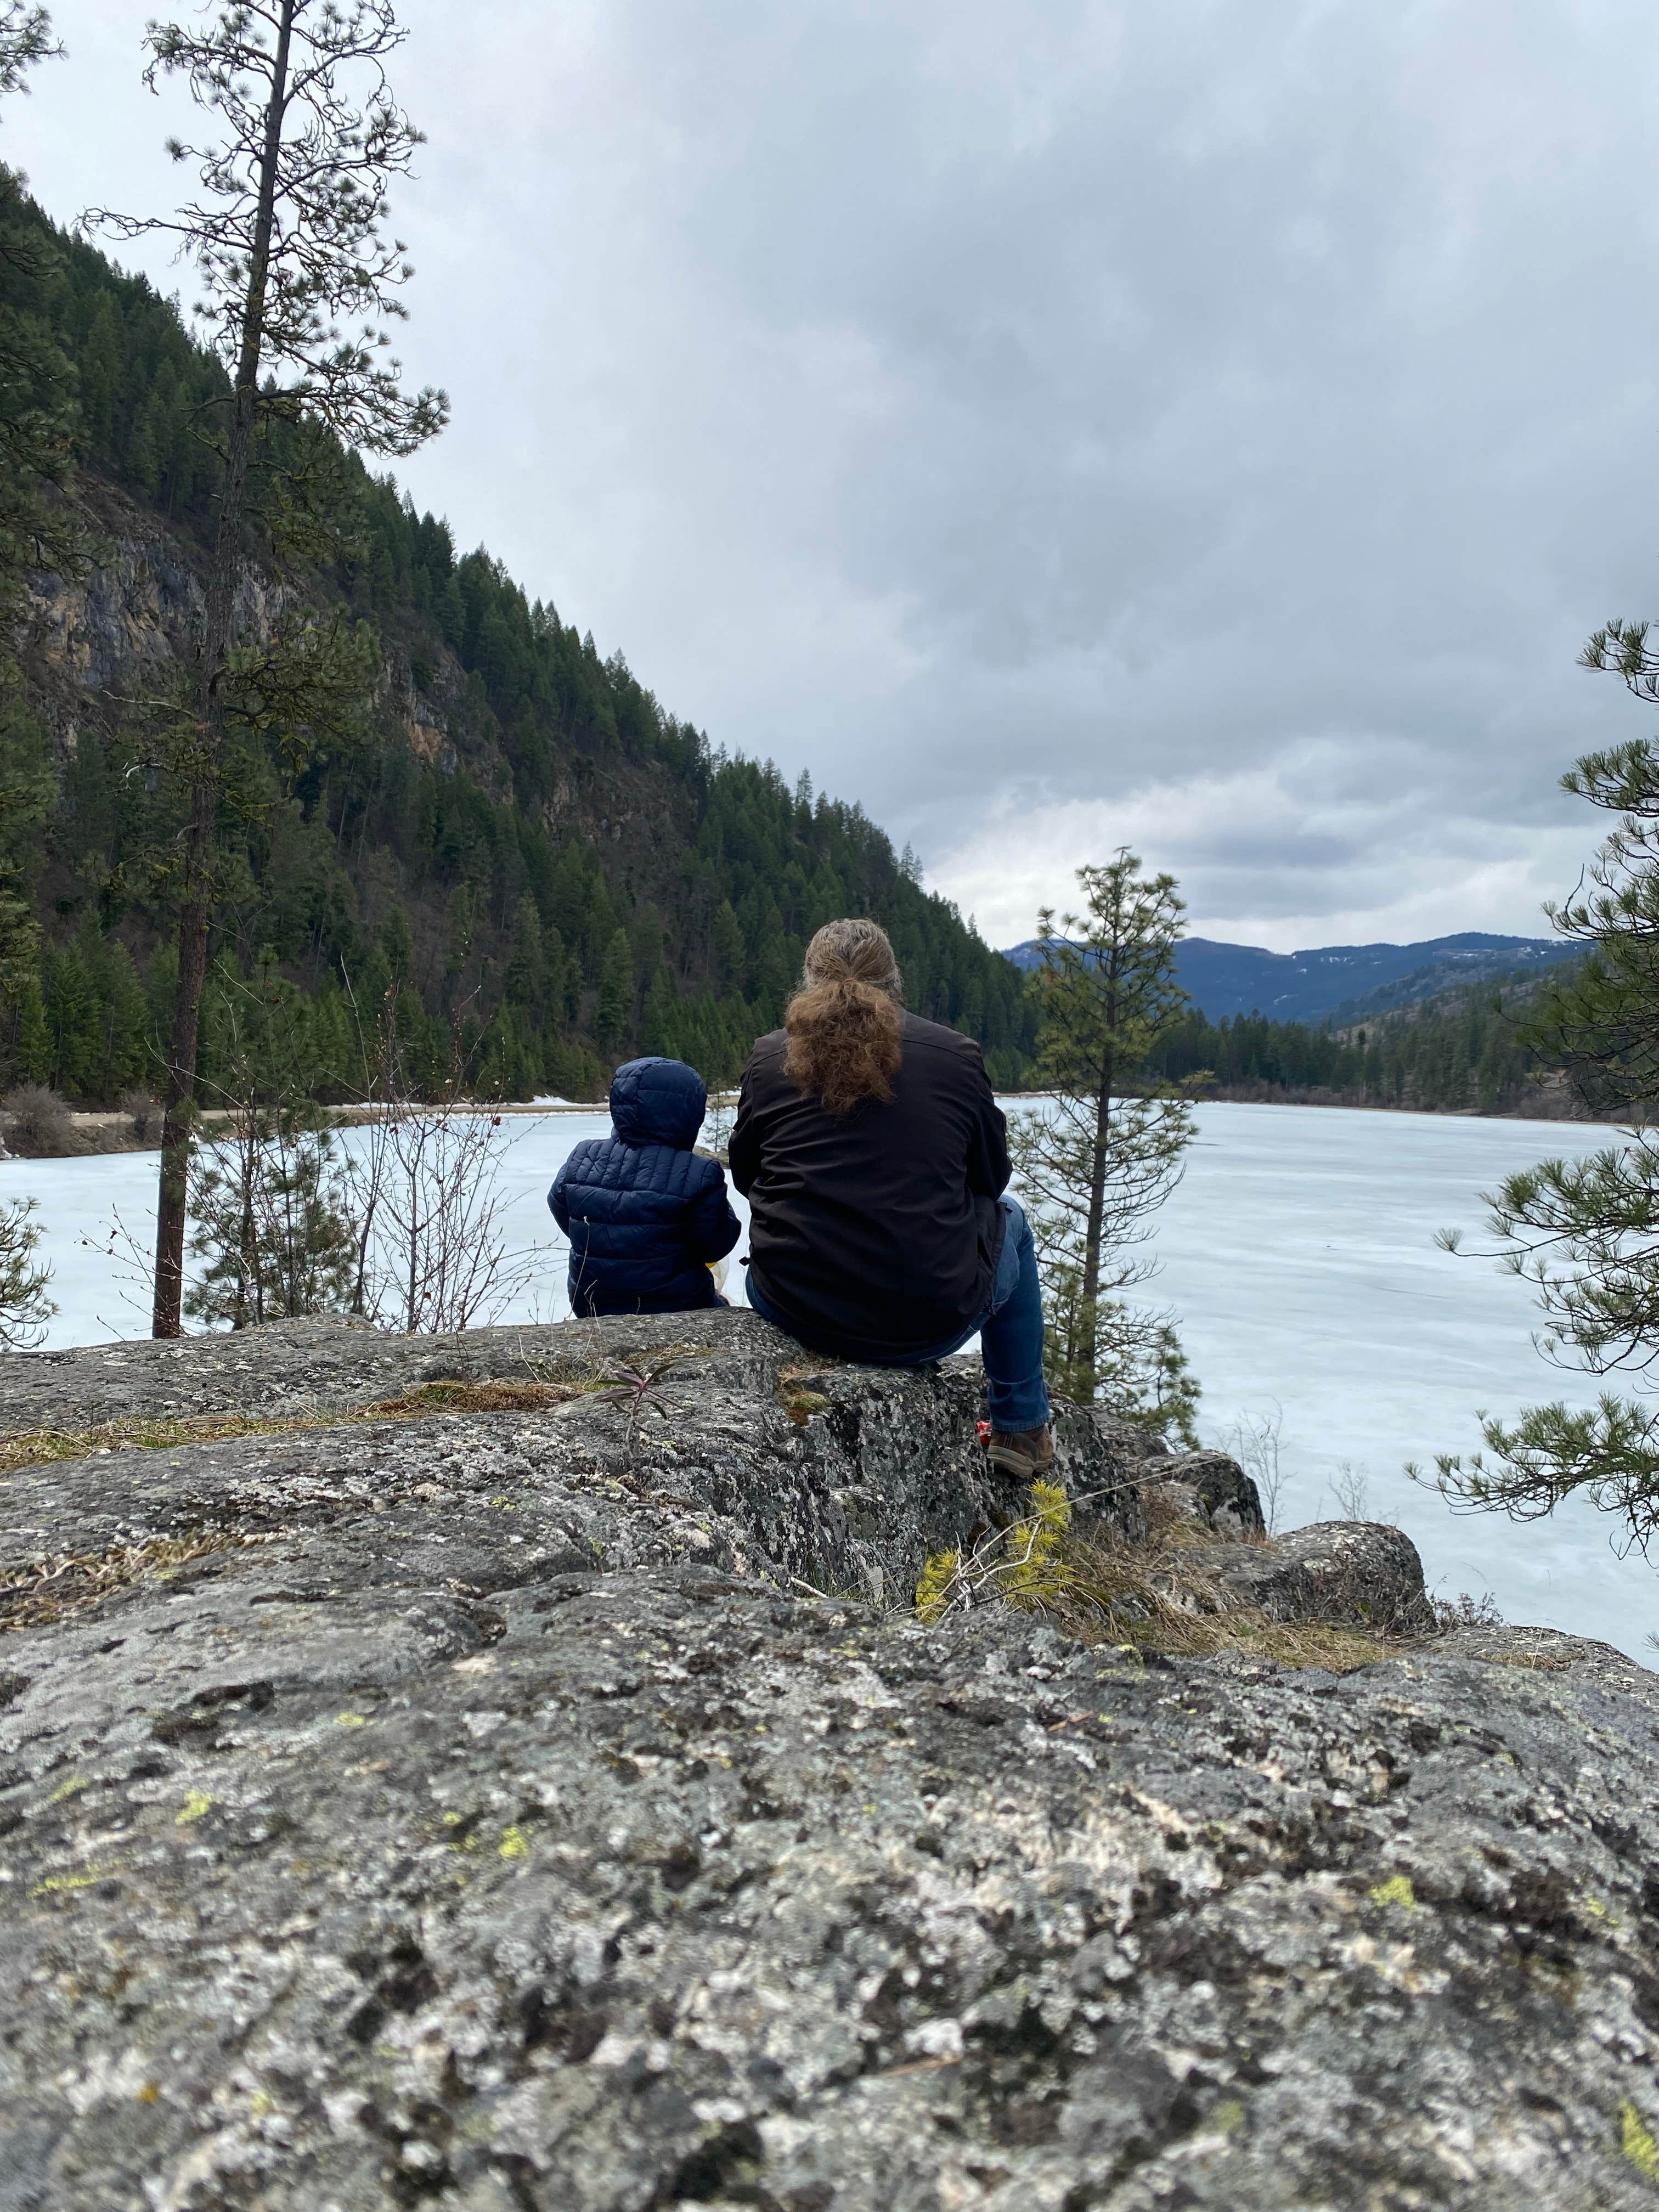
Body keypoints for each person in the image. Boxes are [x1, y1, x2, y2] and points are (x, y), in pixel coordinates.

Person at [730, 917, 1052, 1477]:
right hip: (926, 1320)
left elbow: (747, 1177)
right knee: (1012, 1220)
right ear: (893, 978)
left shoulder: (767, 1058)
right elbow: (991, 1180)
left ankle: (1020, 1427)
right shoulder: (955, 1054)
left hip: (794, 1305)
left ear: (808, 978)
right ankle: (1020, 1429)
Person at [550, 1056, 740, 1317]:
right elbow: (717, 1244)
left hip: (591, 1304)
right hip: (677, 1306)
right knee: (725, 1305)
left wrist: (602, 1239)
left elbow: (559, 1206)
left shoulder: (584, 1156)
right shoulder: (698, 1173)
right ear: (691, 1111)